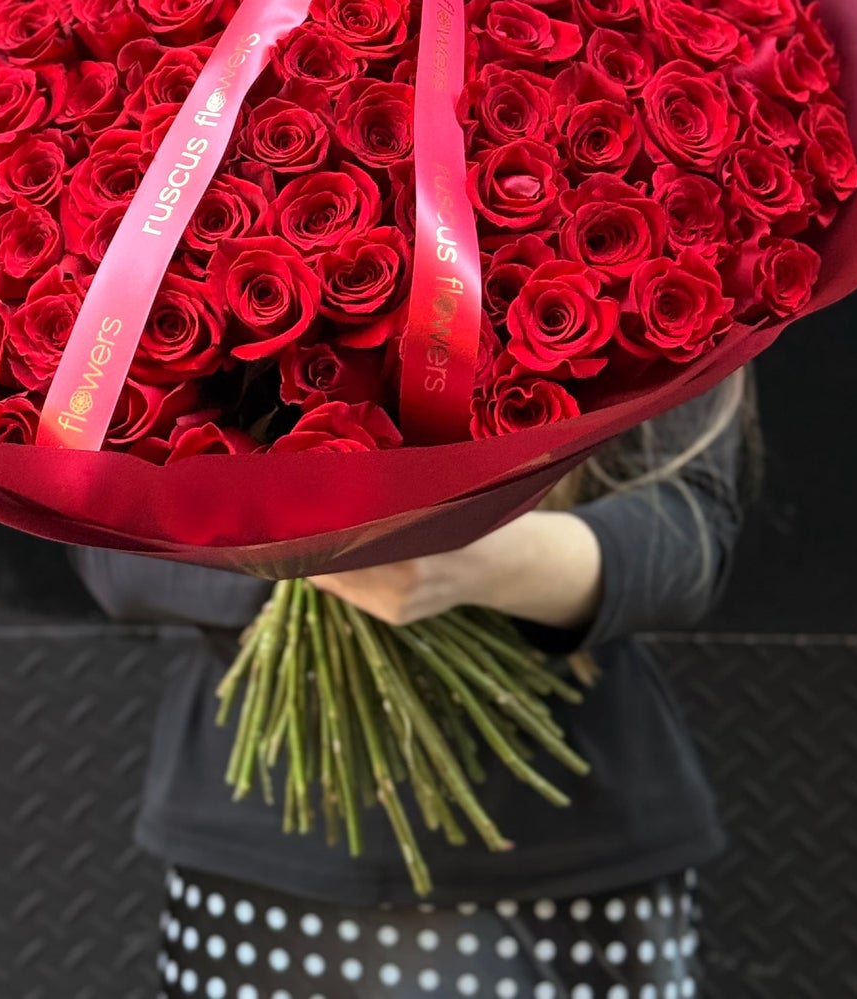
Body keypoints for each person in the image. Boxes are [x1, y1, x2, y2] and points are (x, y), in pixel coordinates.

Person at [72, 372, 748, 999]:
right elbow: (108, 545)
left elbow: (688, 535)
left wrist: (481, 558)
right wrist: (305, 545)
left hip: (574, 853)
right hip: (253, 853)